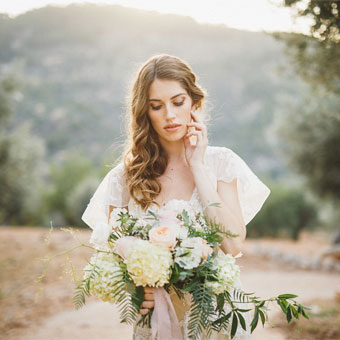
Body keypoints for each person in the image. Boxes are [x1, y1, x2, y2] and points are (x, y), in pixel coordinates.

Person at [81, 54, 271, 340]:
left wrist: (198, 166)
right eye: (156, 106)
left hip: (215, 317)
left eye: (178, 102)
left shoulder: (221, 163)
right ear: (145, 112)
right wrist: (136, 290)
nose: (169, 115)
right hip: (157, 320)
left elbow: (232, 244)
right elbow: (113, 252)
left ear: (194, 103)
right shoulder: (126, 177)